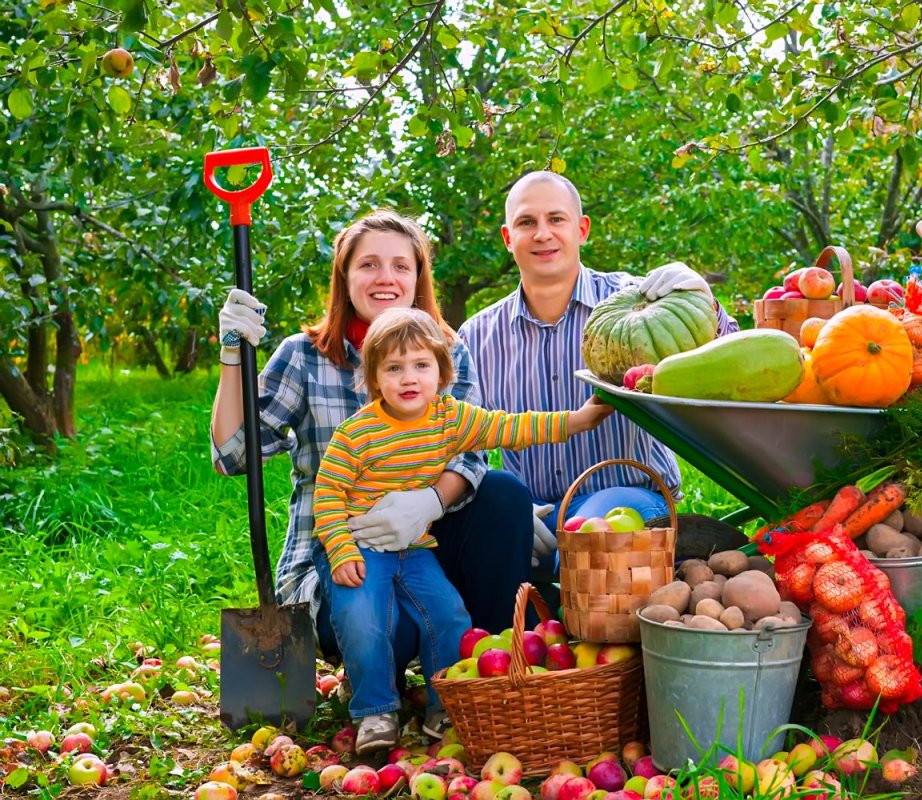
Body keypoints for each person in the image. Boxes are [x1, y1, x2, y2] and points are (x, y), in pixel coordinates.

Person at [210, 209, 534, 750]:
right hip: (342, 557)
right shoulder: (305, 357)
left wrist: (428, 502)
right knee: (388, 623)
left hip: (425, 546)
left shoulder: (446, 352)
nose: (386, 278)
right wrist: (231, 355)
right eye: (369, 265)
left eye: (401, 265)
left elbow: (472, 455)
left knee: (505, 495)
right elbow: (232, 456)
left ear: (417, 278)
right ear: (344, 277)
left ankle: (489, 680)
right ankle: (378, 694)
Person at [312, 307, 612, 750]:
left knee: (449, 615)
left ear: (442, 372)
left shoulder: (450, 419)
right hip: (360, 545)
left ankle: (447, 704)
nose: (409, 378)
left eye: (421, 365)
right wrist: (340, 550)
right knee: (362, 617)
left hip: (414, 547)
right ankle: (375, 710)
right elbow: (327, 495)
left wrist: (578, 420)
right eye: (393, 368)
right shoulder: (357, 434)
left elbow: (512, 427)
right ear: (374, 378)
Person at [457, 171, 739, 564]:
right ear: (508, 237)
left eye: (556, 219)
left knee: (587, 547)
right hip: (532, 512)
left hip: (627, 498)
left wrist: (704, 300)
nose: (542, 234)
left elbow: (729, 361)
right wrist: (506, 508)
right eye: (527, 222)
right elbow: (460, 439)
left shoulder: (639, 305)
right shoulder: (477, 336)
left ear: (582, 229)